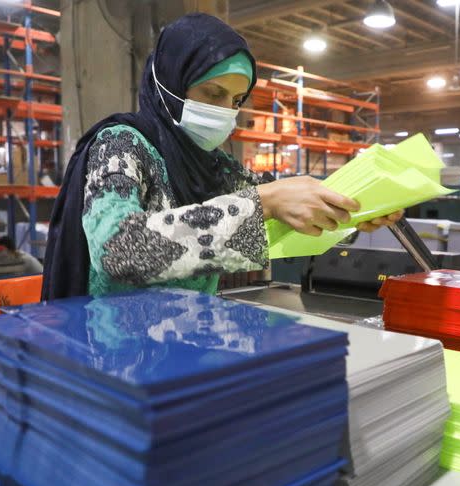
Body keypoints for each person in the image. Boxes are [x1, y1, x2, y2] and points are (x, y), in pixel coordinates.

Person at [42, 13, 401, 300]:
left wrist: (354, 210)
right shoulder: (120, 145)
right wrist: (265, 201)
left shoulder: (214, 167)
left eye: (236, 100)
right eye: (213, 93)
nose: (226, 111)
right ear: (171, 82)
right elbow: (117, 251)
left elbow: (282, 219)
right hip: (116, 352)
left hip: (188, 341)